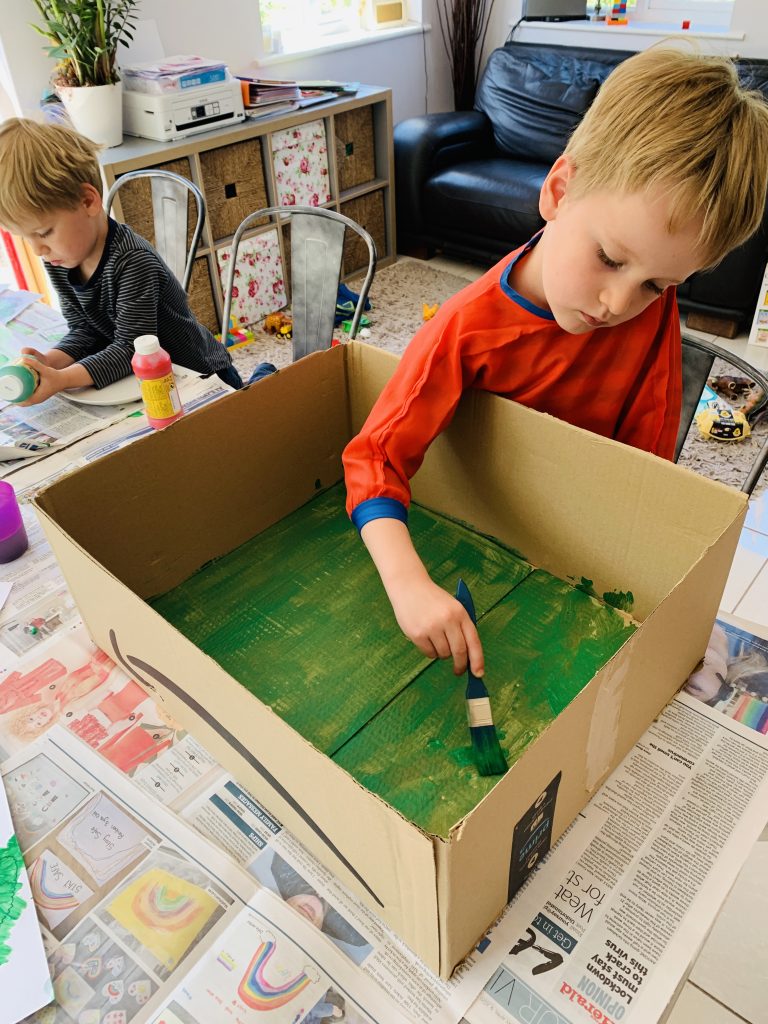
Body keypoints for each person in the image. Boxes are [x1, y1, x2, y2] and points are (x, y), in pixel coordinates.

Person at [343, 46, 768, 679]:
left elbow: (646, 445)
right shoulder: (466, 328)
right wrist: (407, 584)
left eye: (659, 284)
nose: (619, 303)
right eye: (610, 258)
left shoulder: (646, 298)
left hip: (593, 537)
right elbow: (375, 456)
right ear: (560, 189)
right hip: (497, 538)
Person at [0, 118, 242, 403]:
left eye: (44, 232)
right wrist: (51, 361)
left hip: (200, 378)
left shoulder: (132, 261)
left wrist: (62, 379)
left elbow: (131, 349)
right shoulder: (61, 259)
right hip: (147, 382)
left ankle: (262, 377)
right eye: (25, 238)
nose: (38, 249)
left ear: (87, 201)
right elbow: (84, 330)